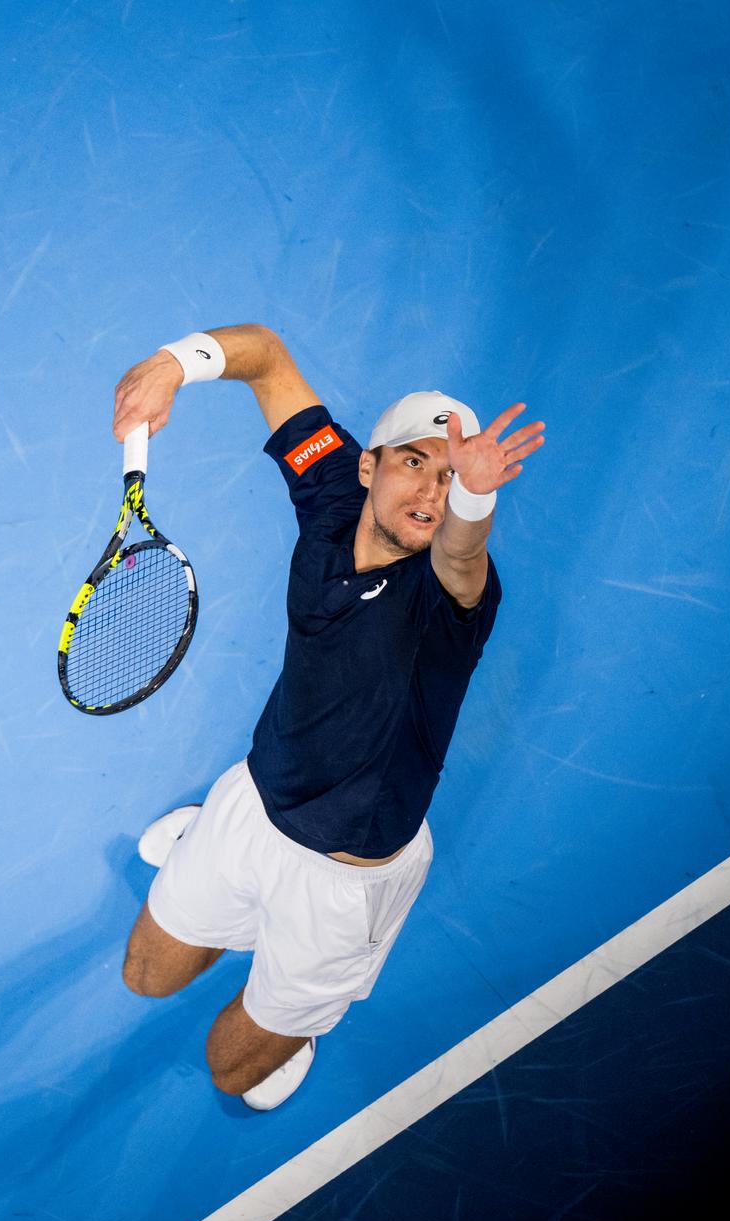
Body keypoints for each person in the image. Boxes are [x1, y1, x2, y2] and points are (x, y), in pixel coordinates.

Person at [113, 324, 545, 1110]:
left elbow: (460, 553)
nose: (432, 494)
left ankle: (301, 1027)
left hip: (342, 889)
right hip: (255, 805)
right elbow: (266, 358)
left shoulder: (448, 602)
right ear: (367, 466)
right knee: (145, 975)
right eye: (417, 464)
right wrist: (173, 364)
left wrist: (475, 499)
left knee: (231, 1070)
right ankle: (216, 857)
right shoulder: (333, 492)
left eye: (452, 479)